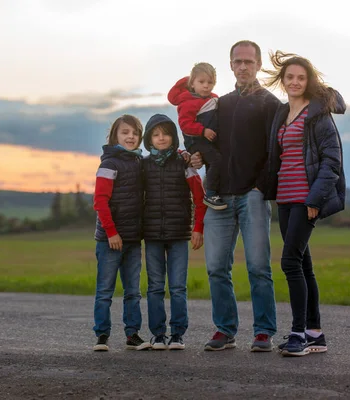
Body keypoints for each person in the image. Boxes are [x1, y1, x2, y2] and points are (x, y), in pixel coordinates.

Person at [191, 40, 280, 352]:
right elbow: (201, 141)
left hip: (252, 196)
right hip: (219, 198)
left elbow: (275, 151)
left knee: (258, 266)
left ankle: (263, 332)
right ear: (230, 65)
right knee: (216, 267)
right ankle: (225, 330)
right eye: (238, 61)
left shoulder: (270, 103)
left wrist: (260, 187)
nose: (243, 66)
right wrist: (198, 157)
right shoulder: (220, 104)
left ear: (257, 65)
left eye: (249, 61)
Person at [262, 51, 346, 356]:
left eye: (301, 77)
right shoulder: (281, 114)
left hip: (305, 200)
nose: (295, 82)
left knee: (289, 263)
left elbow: (331, 161)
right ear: (283, 81)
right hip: (285, 198)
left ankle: (298, 334)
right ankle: (315, 333)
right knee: (303, 264)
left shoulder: (318, 114)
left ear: (308, 81)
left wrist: (315, 199)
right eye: (290, 77)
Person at [141, 114, 207, 350]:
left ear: (173, 137)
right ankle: (158, 334)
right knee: (155, 287)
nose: (161, 138)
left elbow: (200, 198)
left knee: (178, 287)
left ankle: (178, 334)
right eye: (156, 134)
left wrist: (198, 227)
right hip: (152, 235)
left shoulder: (184, 163)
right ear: (149, 138)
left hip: (180, 234)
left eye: (165, 133)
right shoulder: (144, 165)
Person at [92, 114, 151, 352]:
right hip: (110, 239)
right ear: (115, 135)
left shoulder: (139, 162)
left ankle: (132, 335)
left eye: (135, 133)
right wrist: (111, 233)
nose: (131, 136)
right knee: (105, 290)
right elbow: (100, 201)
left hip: (133, 239)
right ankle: (102, 336)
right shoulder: (109, 164)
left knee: (133, 291)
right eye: (125, 132)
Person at [168, 63, 226, 210]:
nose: (206, 86)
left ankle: (215, 189)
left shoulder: (212, 98)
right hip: (196, 141)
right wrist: (203, 131)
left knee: (213, 161)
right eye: (201, 82)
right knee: (217, 160)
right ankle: (210, 193)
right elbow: (185, 124)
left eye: (210, 82)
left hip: (207, 140)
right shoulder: (188, 102)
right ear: (192, 84)